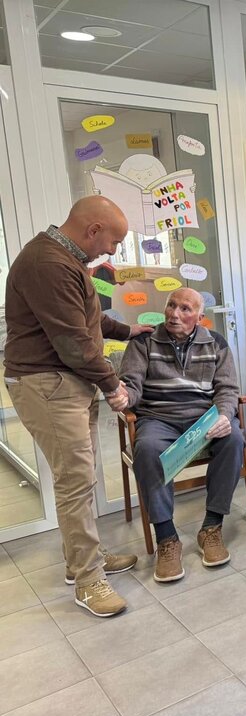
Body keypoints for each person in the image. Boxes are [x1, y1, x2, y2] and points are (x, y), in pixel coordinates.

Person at [3, 196, 153, 617]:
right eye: (114, 240)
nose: (114, 250)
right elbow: (73, 342)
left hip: (64, 382)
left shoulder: (65, 259)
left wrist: (128, 330)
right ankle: (88, 582)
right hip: (47, 384)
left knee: (81, 478)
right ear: (93, 230)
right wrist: (112, 386)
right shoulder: (48, 264)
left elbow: (88, 317)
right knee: (75, 482)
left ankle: (82, 561)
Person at [119, 288, 243, 583]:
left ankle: (211, 527)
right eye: (171, 306)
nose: (175, 314)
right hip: (158, 418)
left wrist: (225, 416)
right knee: (147, 448)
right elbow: (132, 384)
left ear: (200, 317)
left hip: (202, 419)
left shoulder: (216, 343)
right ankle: (166, 537)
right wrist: (124, 396)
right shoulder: (143, 342)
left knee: (234, 439)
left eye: (185, 309)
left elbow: (227, 388)